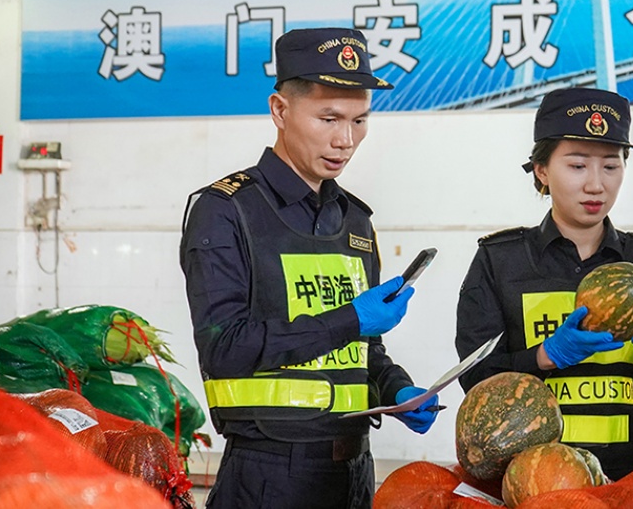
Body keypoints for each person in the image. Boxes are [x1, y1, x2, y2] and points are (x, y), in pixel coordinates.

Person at [180, 27, 440, 509]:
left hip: (353, 470)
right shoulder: (227, 211)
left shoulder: (355, 222)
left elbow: (361, 349)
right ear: (279, 110)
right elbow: (225, 348)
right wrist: (351, 320)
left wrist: (396, 386)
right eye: (328, 118)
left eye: (360, 120)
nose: (346, 140)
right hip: (268, 474)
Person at [455, 87, 633, 480]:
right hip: (537, 481)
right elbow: (475, 378)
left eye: (611, 166)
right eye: (578, 166)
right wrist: (544, 357)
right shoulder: (501, 261)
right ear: (542, 170)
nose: (596, 185)